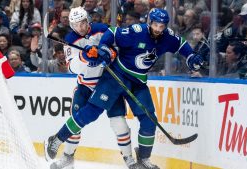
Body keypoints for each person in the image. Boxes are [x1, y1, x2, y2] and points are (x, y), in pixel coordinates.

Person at [44, 8, 203, 169]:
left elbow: (181, 43)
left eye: (162, 26)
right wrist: (95, 53)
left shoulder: (167, 37)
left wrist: (191, 56)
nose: (158, 29)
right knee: (90, 113)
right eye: (155, 25)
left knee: (149, 120)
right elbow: (111, 36)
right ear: (149, 23)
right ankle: (58, 140)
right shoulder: (136, 31)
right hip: (114, 77)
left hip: (137, 82)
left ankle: (143, 159)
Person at [46, 7, 139, 169]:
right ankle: (68, 157)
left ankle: (129, 159)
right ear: (71, 25)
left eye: (82, 23)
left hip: (108, 83)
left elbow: (118, 48)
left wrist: (108, 54)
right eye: (76, 24)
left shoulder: (102, 29)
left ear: (87, 19)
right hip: (86, 86)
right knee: (76, 121)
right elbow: (72, 67)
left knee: (119, 123)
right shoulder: (70, 39)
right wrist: (85, 56)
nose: (80, 27)